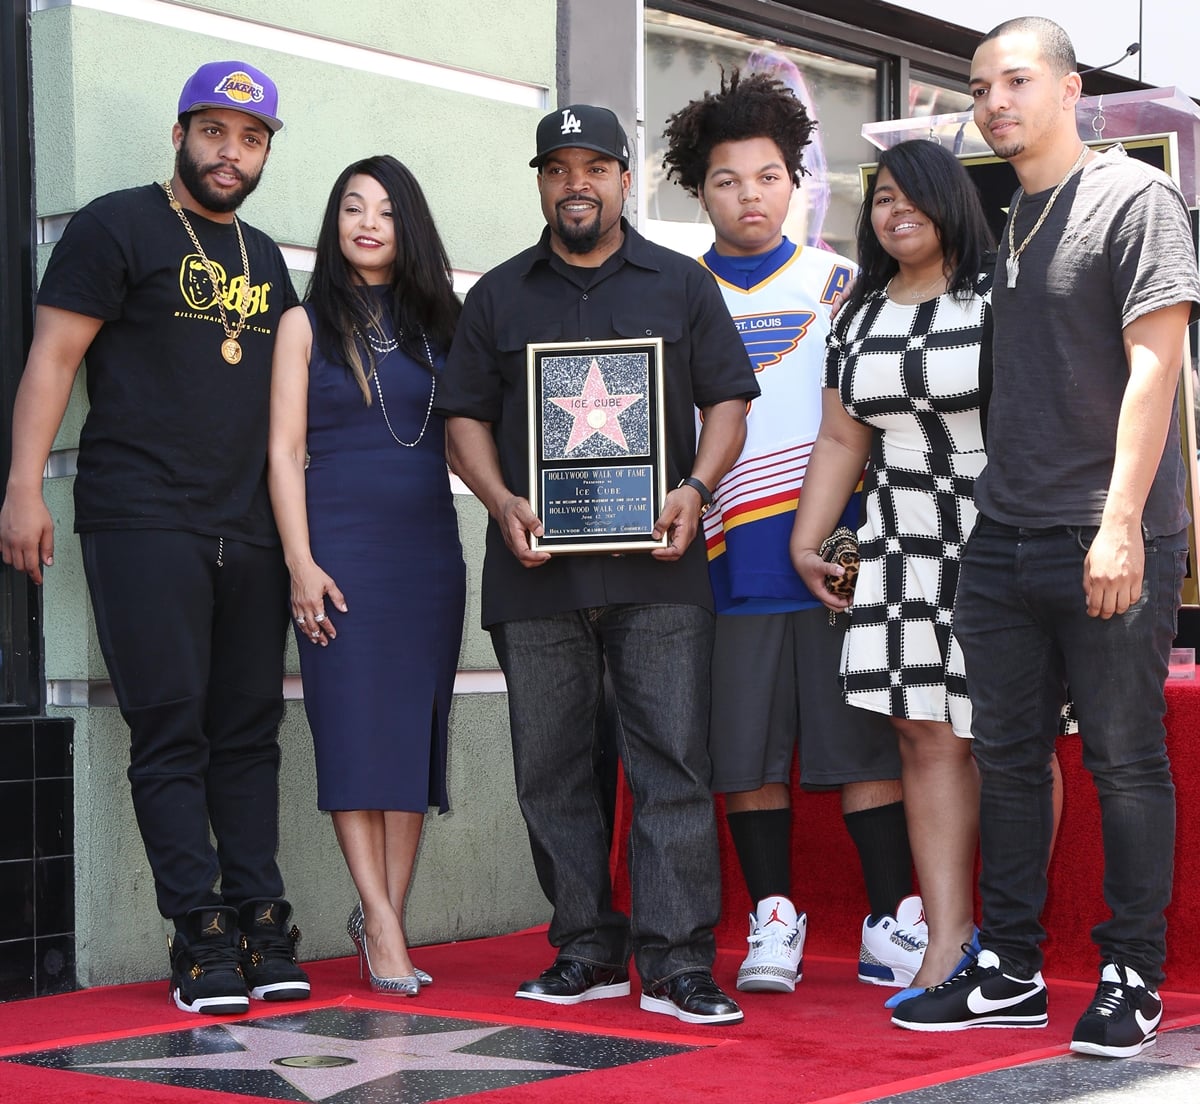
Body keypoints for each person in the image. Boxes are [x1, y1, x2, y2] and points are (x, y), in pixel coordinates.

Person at [890, 18, 1200, 1059]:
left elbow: (1156, 369)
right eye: (980, 87)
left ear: (1071, 89)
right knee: (1009, 761)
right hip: (1004, 534)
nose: (995, 102)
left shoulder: (1134, 199)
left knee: (1123, 760)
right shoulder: (1009, 212)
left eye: (1016, 81)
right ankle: (1011, 972)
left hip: (1105, 533)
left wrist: (1119, 527)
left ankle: (1131, 976)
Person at [436, 104, 759, 1025]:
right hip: (535, 572)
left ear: (626, 179)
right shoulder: (496, 294)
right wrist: (499, 501)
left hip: (660, 569)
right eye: (556, 168)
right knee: (550, 770)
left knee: (672, 766)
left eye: (595, 166)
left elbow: (727, 403)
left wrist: (696, 488)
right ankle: (586, 945)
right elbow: (462, 418)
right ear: (540, 183)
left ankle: (680, 961)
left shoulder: (683, 286)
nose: (575, 182)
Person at [0, 61, 309, 1014]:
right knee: (170, 728)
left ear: (265, 151)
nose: (231, 151)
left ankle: (261, 918)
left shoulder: (266, 257)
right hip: (143, 517)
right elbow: (53, 357)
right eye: (214, 132)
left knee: (250, 733)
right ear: (180, 135)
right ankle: (199, 935)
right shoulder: (117, 225)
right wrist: (23, 485)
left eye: (250, 138)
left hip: (248, 530)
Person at [661, 70, 922, 999]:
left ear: (797, 181)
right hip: (723, 561)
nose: (751, 196)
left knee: (863, 747)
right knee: (746, 754)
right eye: (729, 180)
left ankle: (893, 919)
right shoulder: (669, 289)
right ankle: (775, 917)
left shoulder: (846, 283)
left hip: (835, 558)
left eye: (769, 176)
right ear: (701, 190)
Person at [791, 138, 996, 1009]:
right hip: (898, 538)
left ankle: (1012, 941)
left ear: (951, 202)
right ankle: (946, 940)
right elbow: (843, 438)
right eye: (880, 199)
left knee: (1010, 738)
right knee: (921, 732)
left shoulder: (998, 301)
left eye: (913, 195)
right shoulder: (859, 314)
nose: (896, 210)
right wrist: (808, 541)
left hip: (998, 531)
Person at [267, 155, 465, 996]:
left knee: (410, 743)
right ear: (335, 221)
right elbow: (280, 451)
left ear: (407, 223)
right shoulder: (304, 323)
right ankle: (380, 924)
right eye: (352, 207)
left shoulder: (440, 327)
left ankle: (388, 914)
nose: (368, 222)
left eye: (385, 209)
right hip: (338, 554)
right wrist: (300, 563)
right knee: (353, 738)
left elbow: (472, 439)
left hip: (428, 557)